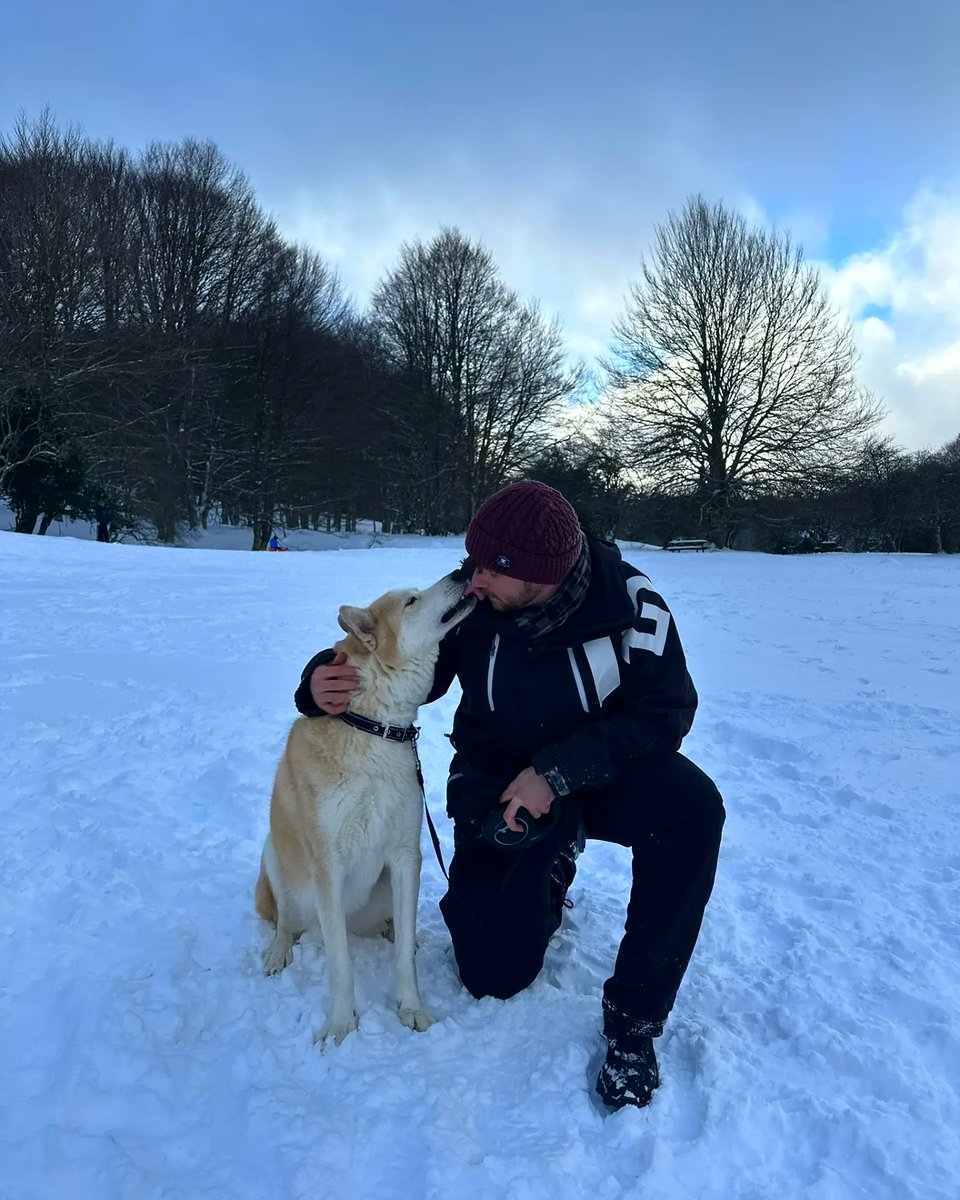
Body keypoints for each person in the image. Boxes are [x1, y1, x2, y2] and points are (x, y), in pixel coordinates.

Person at [294, 480, 725, 1110]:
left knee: (693, 809)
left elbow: (667, 713)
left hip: (598, 774)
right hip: (498, 782)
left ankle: (635, 1021)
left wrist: (558, 774)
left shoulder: (631, 606)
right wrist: (319, 682)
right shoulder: (482, 586)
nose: (470, 582)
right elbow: (396, 654)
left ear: (539, 575)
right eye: (470, 562)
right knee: (492, 974)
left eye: (487, 571)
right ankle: (549, 867)